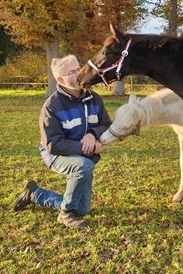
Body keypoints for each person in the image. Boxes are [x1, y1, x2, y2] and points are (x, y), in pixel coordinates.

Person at [13, 55, 111, 228]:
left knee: (82, 209)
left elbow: (106, 125)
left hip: (83, 156)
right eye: (72, 72)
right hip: (56, 154)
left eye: (78, 68)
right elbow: (53, 144)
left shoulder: (95, 99)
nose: (79, 73)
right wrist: (87, 147)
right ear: (60, 79)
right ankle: (65, 214)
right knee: (83, 167)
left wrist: (92, 134)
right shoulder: (52, 106)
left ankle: (34, 194)